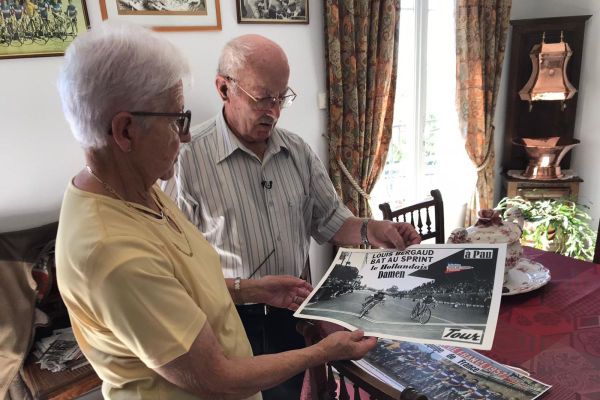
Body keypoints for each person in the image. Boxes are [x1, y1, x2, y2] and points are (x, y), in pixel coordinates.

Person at [55, 22, 378, 400]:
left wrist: (253, 288)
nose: (187, 134)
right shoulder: (110, 250)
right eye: (177, 120)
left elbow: (185, 286)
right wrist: (324, 352)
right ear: (125, 131)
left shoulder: (136, 190)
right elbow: (216, 376)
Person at [165, 33, 421, 399]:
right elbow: (175, 268)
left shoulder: (296, 150)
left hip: (292, 312)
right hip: (228, 319)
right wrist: (244, 292)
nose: (273, 110)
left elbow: (331, 220)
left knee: (287, 394)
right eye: (262, 97)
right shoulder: (186, 161)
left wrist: (373, 229)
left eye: (281, 96)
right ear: (224, 88)